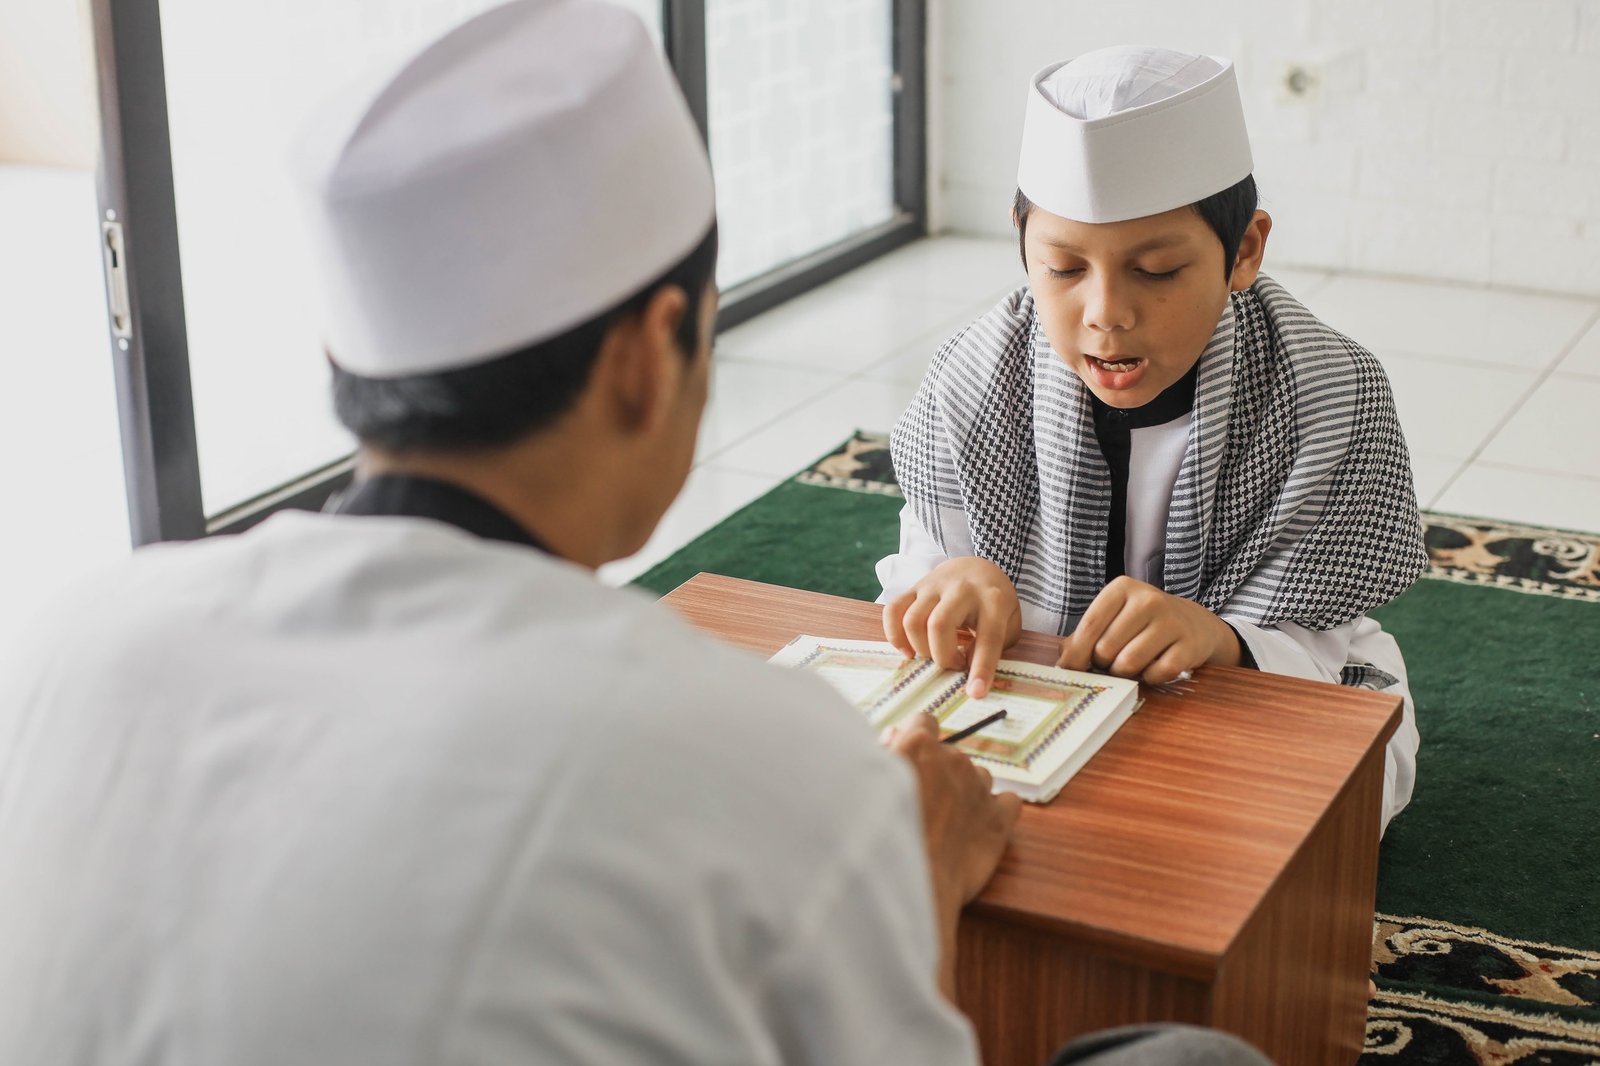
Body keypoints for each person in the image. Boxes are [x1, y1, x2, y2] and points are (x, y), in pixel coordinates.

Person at [0, 6, 1273, 1065]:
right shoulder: (773, 764)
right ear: (647, 357)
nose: (1104, 312)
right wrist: (921, 887)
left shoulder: (78, 633)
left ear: (345, 354)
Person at [879, 46, 1426, 834]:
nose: (1107, 313)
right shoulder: (974, 377)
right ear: (1022, 243)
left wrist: (1219, 638)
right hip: (1025, 683)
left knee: (1325, 799)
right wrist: (953, 581)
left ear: (1244, 251)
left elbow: (1319, 631)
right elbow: (921, 581)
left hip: (1256, 678)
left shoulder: (1326, 390)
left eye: (1159, 270)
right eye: (1063, 268)